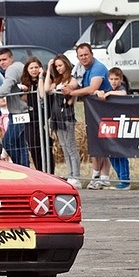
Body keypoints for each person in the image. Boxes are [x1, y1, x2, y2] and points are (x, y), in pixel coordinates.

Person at [63, 43, 113, 188]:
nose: (84, 58)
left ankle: (104, 177)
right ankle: (97, 175)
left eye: (86, 55)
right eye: (81, 56)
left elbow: (92, 88)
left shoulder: (98, 68)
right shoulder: (78, 67)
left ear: (91, 54)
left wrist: (72, 93)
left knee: (103, 143)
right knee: (95, 143)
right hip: (92, 110)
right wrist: (68, 88)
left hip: (105, 109)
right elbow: (73, 83)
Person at [43, 54, 81, 187]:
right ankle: (70, 174)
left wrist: (62, 90)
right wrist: (48, 70)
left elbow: (71, 88)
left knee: (71, 146)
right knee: (64, 147)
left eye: (60, 65)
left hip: (67, 115)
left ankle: (76, 176)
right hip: (56, 116)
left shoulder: (71, 79)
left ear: (66, 64)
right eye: (56, 66)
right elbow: (46, 89)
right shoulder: (57, 80)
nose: (58, 68)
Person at [0, 48, 29, 166]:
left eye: (4, 59)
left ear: (11, 58)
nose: (2, 63)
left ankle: (19, 166)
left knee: (7, 142)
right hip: (21, 110)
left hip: (19, 111)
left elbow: (6, 87)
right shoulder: (20, 66)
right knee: (21, 145)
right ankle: (25, 168)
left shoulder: (12, 70)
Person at [20, 57, 49, 173]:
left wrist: (41, 77)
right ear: (27, 69)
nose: (34, 70)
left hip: (44, 116)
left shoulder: (46, 78)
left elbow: (42, 95)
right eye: (31, 68)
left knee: (46, 146)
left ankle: (49, 172)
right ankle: (39, 171)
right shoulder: (26, 82)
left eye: (36, 67)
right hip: (30, 118)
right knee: (33, 146)